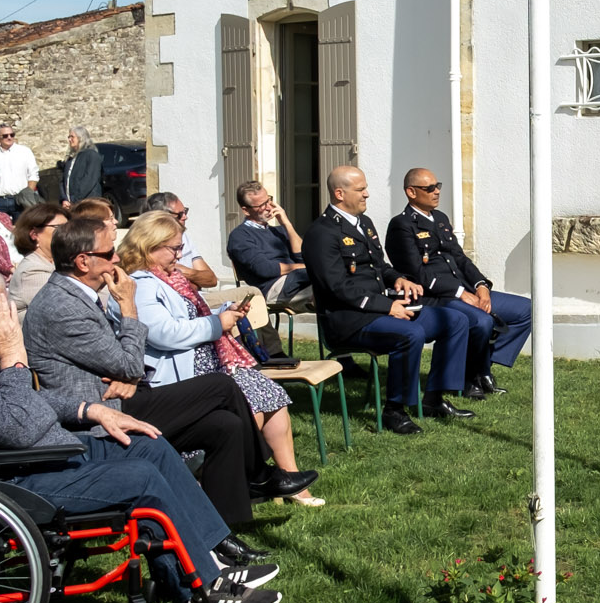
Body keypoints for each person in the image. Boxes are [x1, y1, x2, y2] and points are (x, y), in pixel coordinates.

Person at [0, 262, 279, 603]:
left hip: (23, 460)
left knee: (146, 442)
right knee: (140, 477)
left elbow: (20, 402)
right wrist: (14, 358)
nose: (8, 322)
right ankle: (202, 593)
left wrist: (89, 410)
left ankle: (208, 561)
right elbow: (18, 425)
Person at [22, 216, 316, 526]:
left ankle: (226, 528)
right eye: (109, 253)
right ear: (83, 261)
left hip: (123, 396)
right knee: (220, 386)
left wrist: (129, 374)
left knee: (225, 424)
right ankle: (258, 473)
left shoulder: (76, 296)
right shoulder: (62, 306)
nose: (117, 257)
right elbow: (130, 361)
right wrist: (129, 310)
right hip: (99, 415)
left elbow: (121, 362)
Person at [122, 211, 321, 507]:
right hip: (181, 370)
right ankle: (246, 480)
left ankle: (287, 481)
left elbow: (190, 318)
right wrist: (218, 323)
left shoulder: (170, 277)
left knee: (272, 396)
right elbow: (164, 334)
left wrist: (223, 312)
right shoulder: (141, 284)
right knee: (246, 401)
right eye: (175, 249)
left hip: (208, 360)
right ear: (150, 247)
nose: (180, 256)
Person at [305, 165, 484, 434]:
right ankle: (394, 410)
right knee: (409, 334)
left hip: (380, 308)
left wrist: (399, 279)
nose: (367, 194)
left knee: (455, 320)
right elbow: (337, 287)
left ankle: (435, 398)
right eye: (360, 189)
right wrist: (388, 306)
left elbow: (379, 266)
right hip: (349, 320)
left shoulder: (363, 223)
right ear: (339, 194)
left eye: (366, 188)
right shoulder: (322, 233)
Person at [386, 167, 531, 399]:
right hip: (437, 298)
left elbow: (461, 259)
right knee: (482, 322)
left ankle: (481, 368)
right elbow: (417, 274)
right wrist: (461, 292)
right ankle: (470, 376)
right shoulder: (401, 225)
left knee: (526, 310)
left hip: (465, 289)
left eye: (438, 186)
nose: (436, 192)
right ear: (411, 192)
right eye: (429, 188)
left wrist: (482, 285)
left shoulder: (440, 219)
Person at [227, 180, 311, 304]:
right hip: (273, 288)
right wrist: (305, 267)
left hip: (299, 281)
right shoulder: (239, 236)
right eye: (261, 205)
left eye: (268, 201)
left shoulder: (279, 231)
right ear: (246, 210)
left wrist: (287, 224)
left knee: (336, 284)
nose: (268, 207)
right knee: (330, 284)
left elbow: (303, 257)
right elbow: (265, 269)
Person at [145, 191, 218, 289]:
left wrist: (183, 271)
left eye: (185, 212)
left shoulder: (184, 237)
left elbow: (211, 280)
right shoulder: (150, 244)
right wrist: (195, 281)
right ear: (161, 217)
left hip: (199, 297)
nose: (185, 217)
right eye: (179, 214)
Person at [6, 202, 68, 309]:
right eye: (59, 228)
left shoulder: (57, 263)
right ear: (34, 234)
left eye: (69, 227)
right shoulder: (32, 272)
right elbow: (62, 309)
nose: (68, 233)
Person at [0, 123, 38, 218]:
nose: (9, 137)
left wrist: (28, 194)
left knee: (22, 231)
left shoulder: (25, 152)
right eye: (5, 136)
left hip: (20, 200)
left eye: (12, 135)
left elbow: (33, 175)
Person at [60, 127, 102, 210]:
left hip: (88, 204)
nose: (69, 139)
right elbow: (63, 180)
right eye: (69, 137)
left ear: (81, 137)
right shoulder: (71, 158)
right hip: (71, 205)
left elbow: (89, 180)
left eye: (72, 137)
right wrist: (64, 199)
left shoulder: (91, 155)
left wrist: (74, 200)